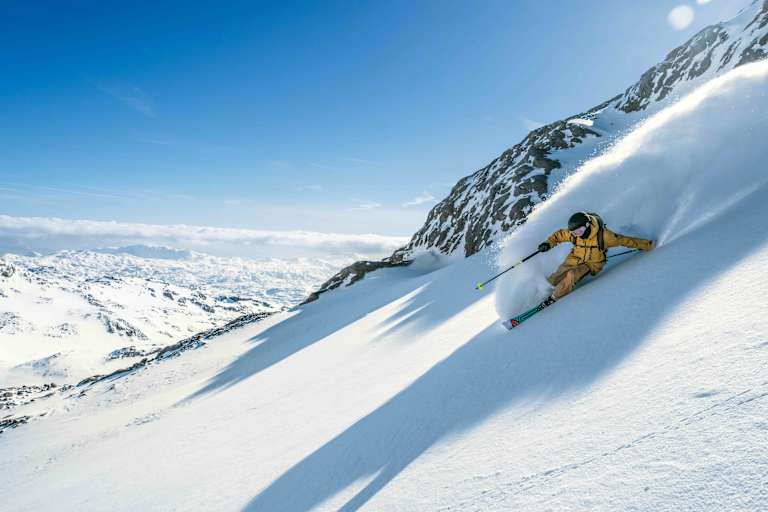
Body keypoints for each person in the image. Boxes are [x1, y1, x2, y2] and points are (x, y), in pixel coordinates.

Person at [535, 212, 654, 310]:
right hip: (575, 257)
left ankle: (555, 296)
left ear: (587, 225)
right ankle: (544, 291)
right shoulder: (574, 234)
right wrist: (548, 244)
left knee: (572, 275)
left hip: (592, 263)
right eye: (575, 233)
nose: (578, 235)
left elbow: (625, 241)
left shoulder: (605, 236)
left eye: (580, 231)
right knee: (559, 274)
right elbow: (559, 235)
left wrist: (647, 245)